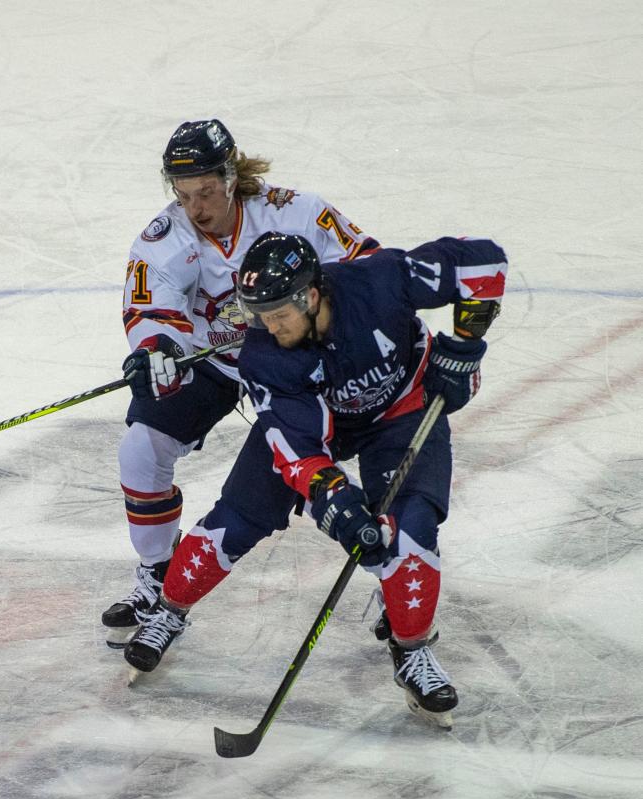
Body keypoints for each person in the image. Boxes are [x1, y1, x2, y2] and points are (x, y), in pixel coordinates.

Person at [122, 230, 506, 727]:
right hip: (318, 425)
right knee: (235, 521)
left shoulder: (380, 280)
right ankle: (169, 611)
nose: (268, 326)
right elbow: (297, 451)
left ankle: (412, 650)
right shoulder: (265, 356)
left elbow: (483, 264)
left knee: (411, 531)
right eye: (259, 315)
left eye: (279, 313)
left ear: (312, 295)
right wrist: (336, 504)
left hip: (402, 414)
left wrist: (465, 346)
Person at [104, 119, 379, 646]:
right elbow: (150, 305)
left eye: (206, 191)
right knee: (140, 449)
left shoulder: (295, 211)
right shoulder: (165, 237)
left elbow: (366, 264)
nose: (196, 208)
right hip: (214, 362)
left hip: (296, 365)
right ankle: (158, 571)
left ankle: (395, 587)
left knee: (358, 475)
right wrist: (158, 349)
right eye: (183, 195)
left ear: (232, 177)